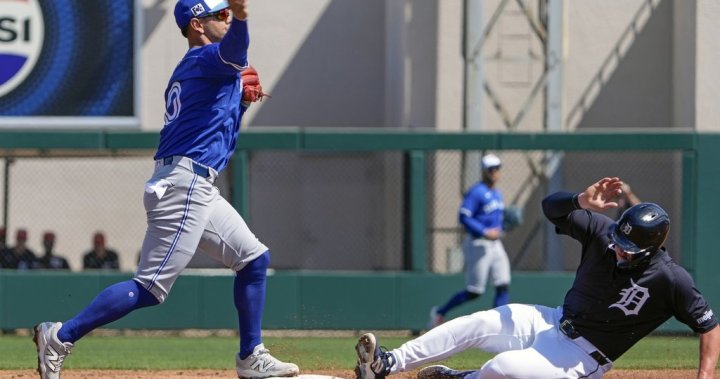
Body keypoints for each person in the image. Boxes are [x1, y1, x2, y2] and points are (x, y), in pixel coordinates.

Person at [33, 1, 298, 379]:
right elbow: (236, 52)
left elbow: (216, 131)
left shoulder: (201, 68)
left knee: (254, 260)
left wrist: (238, 103)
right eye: (219, 15)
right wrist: (241, 16)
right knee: (150, 288)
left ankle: (250, 356)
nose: (225, 18)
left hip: (196, 184)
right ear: (197, 25)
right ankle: (60, 336)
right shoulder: (205, 58)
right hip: (184, 184)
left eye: (226, 13)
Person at [355, 177, 720, 379]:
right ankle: (386, 364)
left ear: (651, 249)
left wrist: (705, 376)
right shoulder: (604, 233)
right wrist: (579, 200)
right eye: (618, 240)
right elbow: (550, 208)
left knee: (502, 369)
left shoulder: (671, 279)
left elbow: (709, 326)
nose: (618, 248)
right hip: (553, 319)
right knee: (479, 322)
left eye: (628, 247)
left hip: (582, 356)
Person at [428, 153, 511, 329]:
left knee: (503, 283)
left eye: (497, 168)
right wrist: (484, 231)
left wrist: (505, 225)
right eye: (491, 169)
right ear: (484, 171)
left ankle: (498, 326)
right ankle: (440, 312)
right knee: (475, 291)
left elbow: (497, 219)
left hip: (496, 245)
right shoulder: (477, 191)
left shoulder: (497, 193)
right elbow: (463, 216)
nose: (495, 172)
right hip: (478, 243)